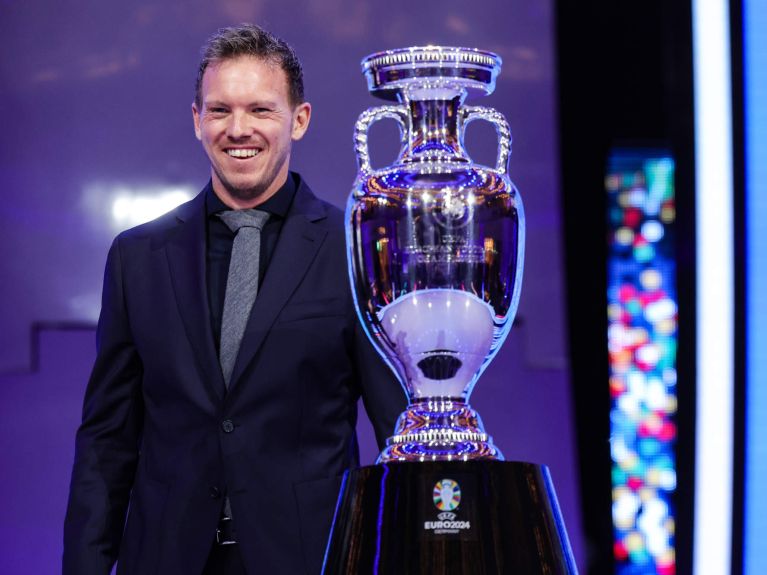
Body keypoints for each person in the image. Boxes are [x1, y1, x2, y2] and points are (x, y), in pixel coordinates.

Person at [63, 24, 404, 575]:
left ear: (299, 119)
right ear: (197, 120)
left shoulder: (357, 252)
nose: (238, 129)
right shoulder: (138, 257)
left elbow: (398, 434)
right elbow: (107, 441)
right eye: (220, 110)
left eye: (260, 110)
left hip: (310, 558)